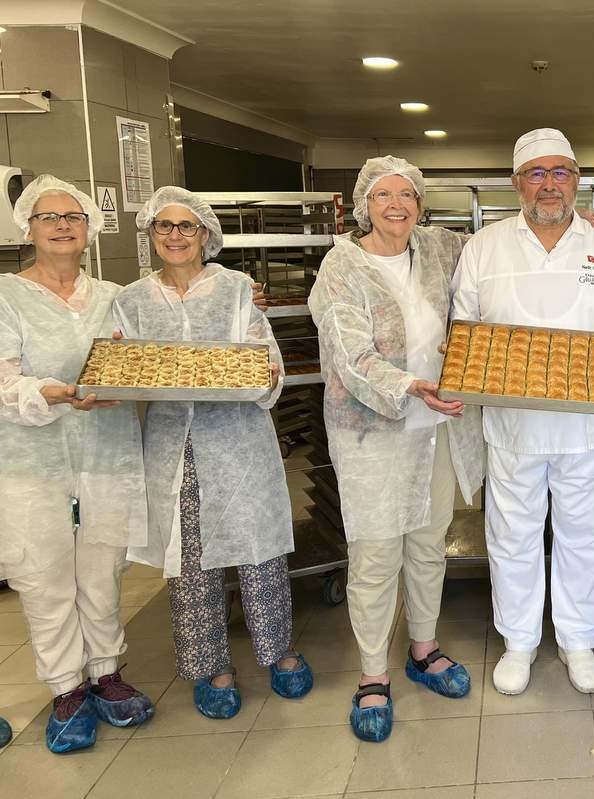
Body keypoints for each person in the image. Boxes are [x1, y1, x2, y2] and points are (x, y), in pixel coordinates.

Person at [452, 128, 594, 696]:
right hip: (511, 427)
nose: (550, 185)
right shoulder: (484, 247)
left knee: (582, 534)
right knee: (512, 534)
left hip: (584, 427)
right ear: (517, 182)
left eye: (562, 172)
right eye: (537, 174)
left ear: (578, 180)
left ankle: (577, 640)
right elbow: (462, 332)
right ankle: (519, 641)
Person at [114, 186, 312, 720]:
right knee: (190, 563)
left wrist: (259, 374)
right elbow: (122, 368)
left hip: (239, 444)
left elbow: (265, 361)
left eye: (187, 226)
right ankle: (211, 665)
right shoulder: (129, 301)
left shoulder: (238, 291)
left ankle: (279, 651)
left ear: (206, 234)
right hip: (172, 448)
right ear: (150, 235)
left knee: (258, 552)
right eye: (164, 226)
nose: (176, 236)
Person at [309, 156, 486, 742]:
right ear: (365, 204)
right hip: (372, 430)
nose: (396, 205)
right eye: (383, 195)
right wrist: (410, 385)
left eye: (407, 194)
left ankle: (425, 648)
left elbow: (508, 248)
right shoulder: (342, 266)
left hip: (433, 427)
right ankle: (372, 674)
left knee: (429, 541)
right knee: (377, 554)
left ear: (420, 203)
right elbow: (349, 355)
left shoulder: (438, 248)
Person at [0, 175, 154, 753]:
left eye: (73, 216)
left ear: (88, 229)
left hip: (106, 451)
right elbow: (3, 380)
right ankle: (65, 687)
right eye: (49, 217)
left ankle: (105, 673)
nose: (62, 225)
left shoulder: (116, 296)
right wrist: (61, 393)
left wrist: (238, 307)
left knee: (102, 566)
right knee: (43, 573)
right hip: (30, 458)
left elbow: (156, 350)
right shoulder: (6, 295)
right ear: (28, 229)